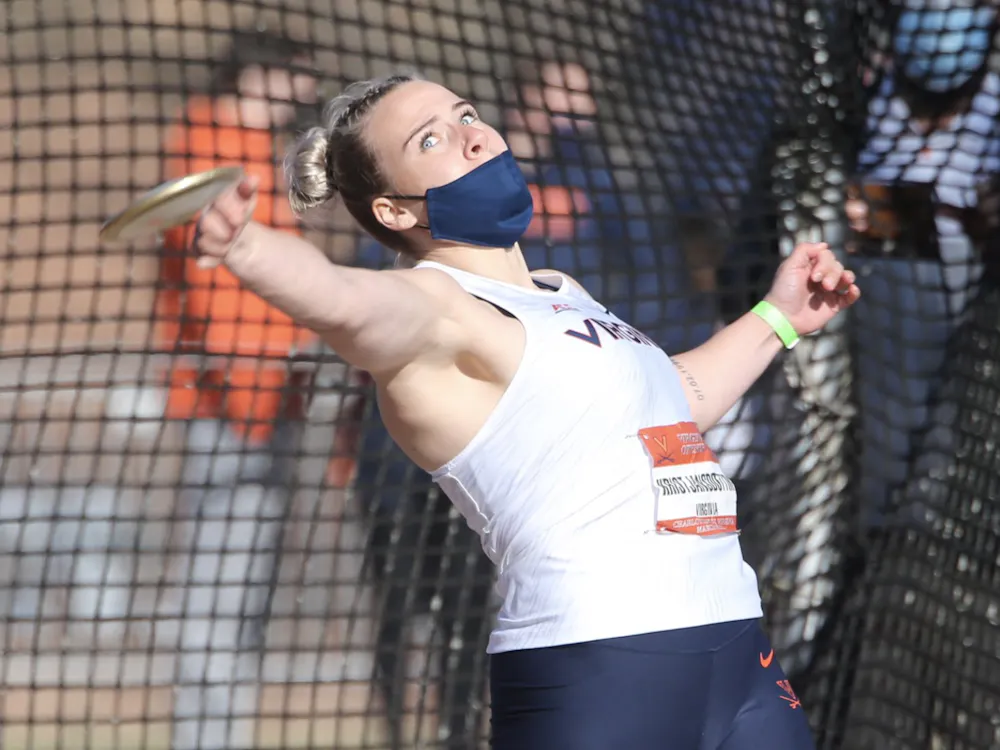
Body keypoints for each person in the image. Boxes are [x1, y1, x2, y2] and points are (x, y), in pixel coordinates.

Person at [187, 70, 859, 749]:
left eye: (467, 113)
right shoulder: (438, 310)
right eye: (432, 139)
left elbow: (677, 401)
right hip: (601, 669)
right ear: (394, 211)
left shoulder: (559, 291)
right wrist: (247, 247)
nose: (472, 136)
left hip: (738, 653)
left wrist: (778, 317)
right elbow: (342, 300)